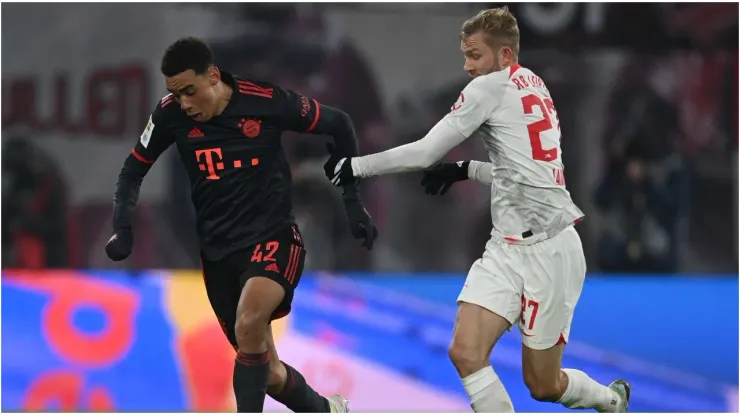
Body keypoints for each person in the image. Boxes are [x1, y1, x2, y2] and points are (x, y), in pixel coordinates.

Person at [324, 7, 630, 413]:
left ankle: (610, 400)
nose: (467, 67)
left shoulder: (489, 89)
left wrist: (355, 168)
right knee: (465, 351)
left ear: (504, 56)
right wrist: (467, 168)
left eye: (475, 56)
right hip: (505, 250)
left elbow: (425, 151)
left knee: (543, 384)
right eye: (465, 56)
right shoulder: (533, 84)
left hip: (549, 252)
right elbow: (523, 171)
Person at [106, 37, 377, 413]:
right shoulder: (170, 114)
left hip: (274, 238)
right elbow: (133, 170)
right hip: (218, 255)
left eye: (189, 91)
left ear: (213, 76)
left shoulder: (264, 101)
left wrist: (352, 203)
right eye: (176, 93)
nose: (184, 102)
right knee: (267, 372)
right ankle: (327, 410)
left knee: (250, 320)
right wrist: (124, 226)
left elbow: (339, 123)